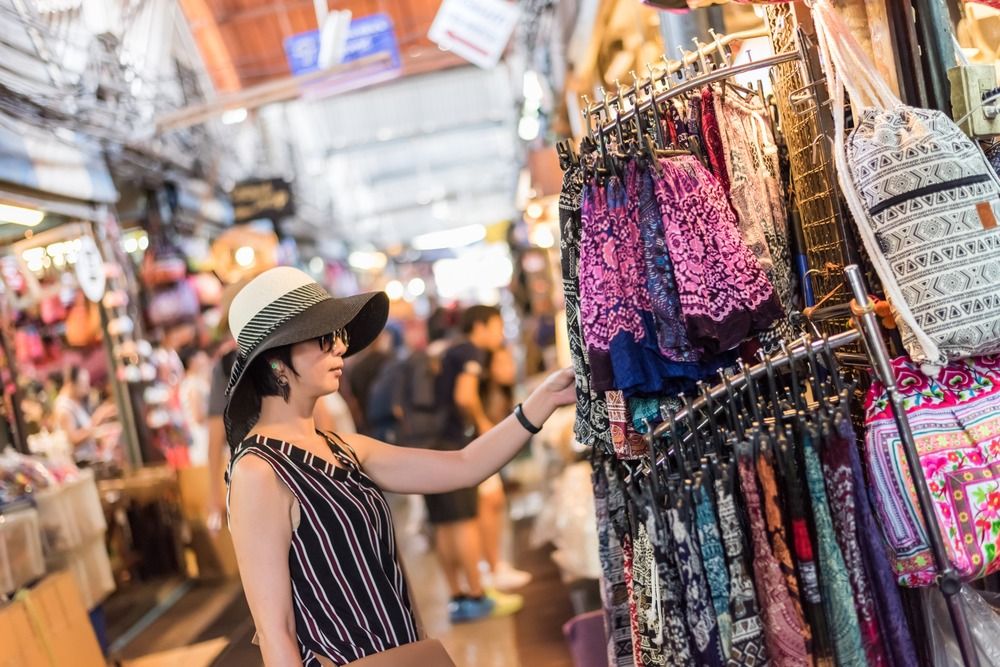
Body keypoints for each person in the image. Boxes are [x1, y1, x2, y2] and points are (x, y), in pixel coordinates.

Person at [223, 267, 574, 666]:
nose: (339, 347)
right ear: (275, 362)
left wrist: (541, 402)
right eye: (322, 338)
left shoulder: (343, 449)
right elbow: (275, 631)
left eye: (336, 336)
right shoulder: (259, 472)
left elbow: (466, 465)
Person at [476, 344, 532, 591]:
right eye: (501, 364)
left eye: (510, 362)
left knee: (494, 501)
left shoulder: (503, 391)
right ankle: (492, 567)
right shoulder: (483, 394)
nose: (509, 368)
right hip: (473, 451)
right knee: (491, 500)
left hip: (481, 454)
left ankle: (494, 564)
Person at [53, 367, 114, 464]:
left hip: (89, 459)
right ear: (71, 384)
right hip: (80, 463)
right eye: (84, 385)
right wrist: (97, 418)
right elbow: (72, 439)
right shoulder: (64, 407)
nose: (87, 389)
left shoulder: (75, 403)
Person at [179, 348, 212, 465]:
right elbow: (198, 415)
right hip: (203, 436)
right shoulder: (193, 384)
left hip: (203, 434)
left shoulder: (192, 382)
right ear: (191, 362)